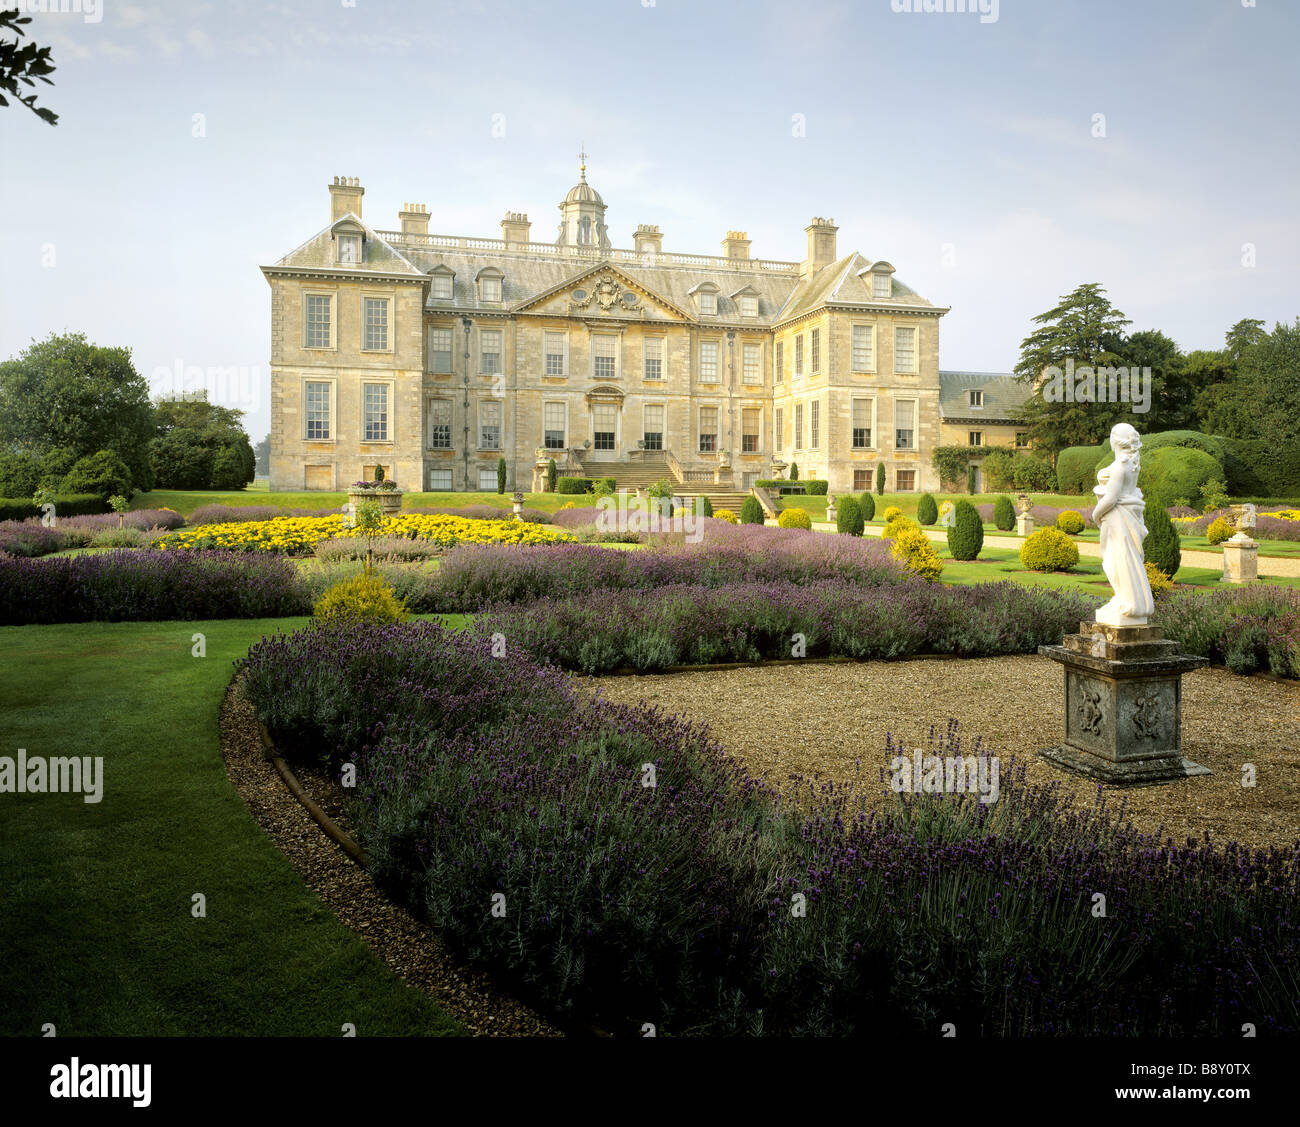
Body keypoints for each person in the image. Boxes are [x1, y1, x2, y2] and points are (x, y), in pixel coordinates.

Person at [1092, 423, 1154, 625]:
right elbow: (1117, 477)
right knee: (1126, 560)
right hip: (1127, 515)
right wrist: (1103, 473)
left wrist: (1095, 515)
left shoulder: (1120, 467)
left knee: (1116, 560)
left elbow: (1110, 498)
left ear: (1114, 440)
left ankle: (1128, 603)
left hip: (1116, 517)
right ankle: (1127, 599)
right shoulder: (1131, 464)